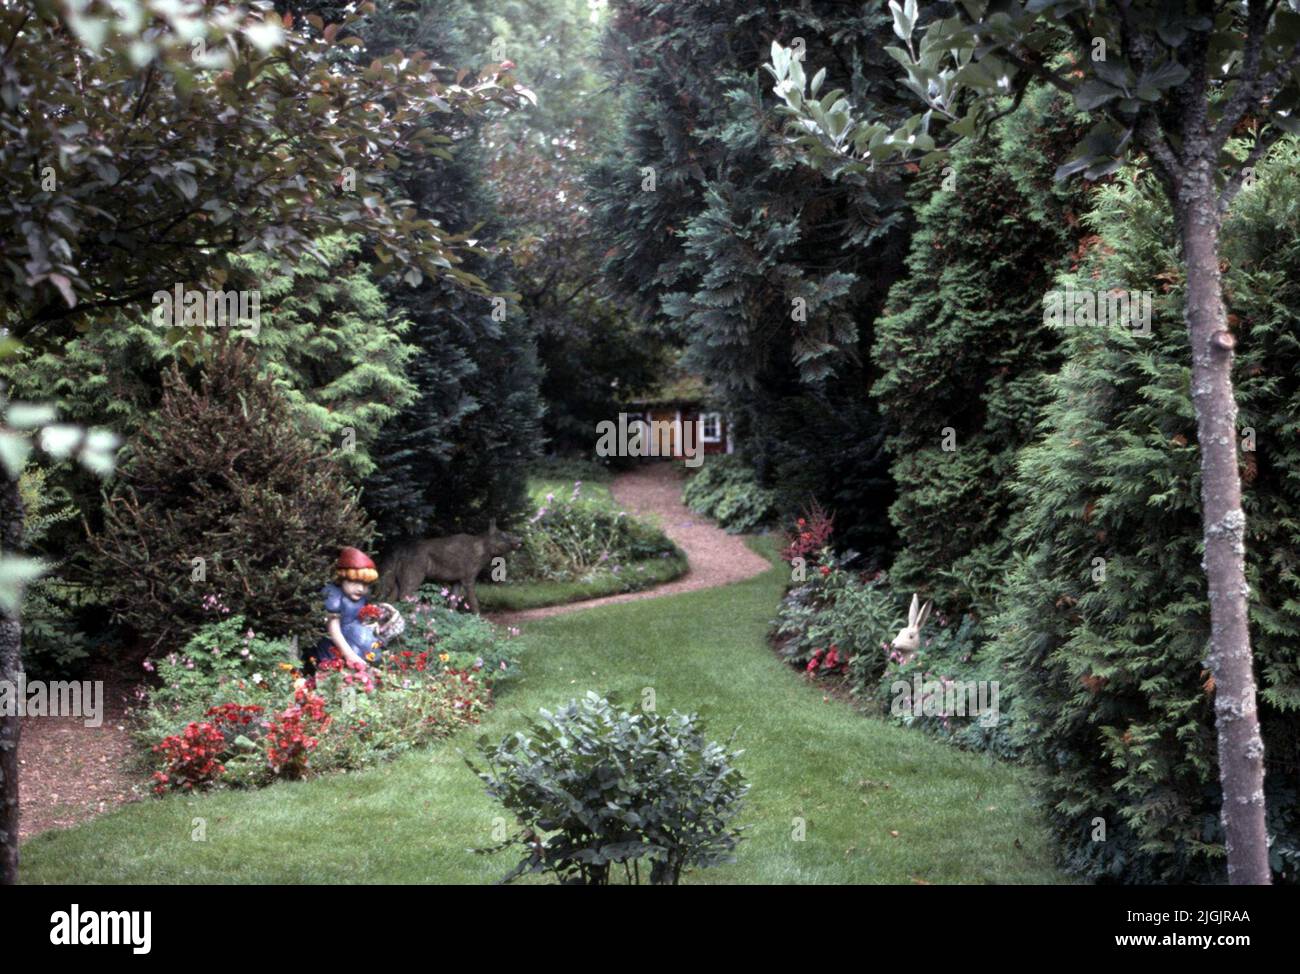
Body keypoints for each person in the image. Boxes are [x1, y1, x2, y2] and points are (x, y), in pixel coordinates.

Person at [306, 547, 385, 674]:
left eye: (365, 584)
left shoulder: (361, 597)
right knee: (336, 667)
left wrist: (371, 624)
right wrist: (350, 656)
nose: (360, 589)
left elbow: (359, 617)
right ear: (342, 578)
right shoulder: (334, 595)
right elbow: (334, 631)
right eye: (354, 582)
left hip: (355, 641)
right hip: (336, 645)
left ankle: (364, 675)